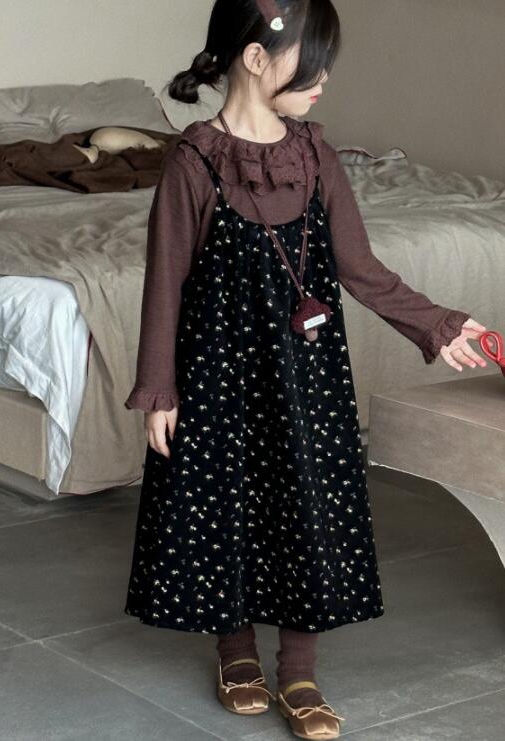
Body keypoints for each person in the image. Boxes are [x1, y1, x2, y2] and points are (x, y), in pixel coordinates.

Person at [122, 0, 487, 737]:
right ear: (256, 59)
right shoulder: (194, 160)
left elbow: (360, 267)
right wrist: (159, 388)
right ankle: (236, 652)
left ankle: (298, 669)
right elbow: (165, 283)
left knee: (307, 507)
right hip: (218, 376)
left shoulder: (316, 154)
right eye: (312, 66)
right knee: (225, 505)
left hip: (307, 379)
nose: (324, 82)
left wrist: (438, 324)